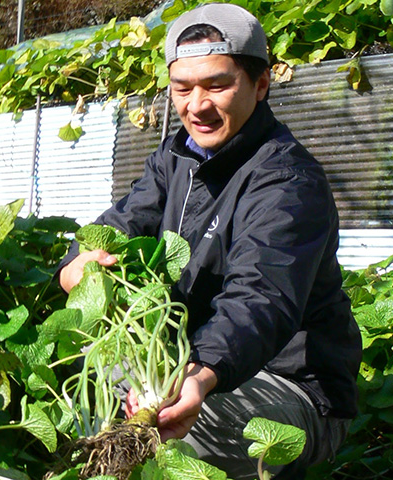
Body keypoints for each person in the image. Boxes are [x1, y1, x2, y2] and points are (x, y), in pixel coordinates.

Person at [59, 3, 362, 479]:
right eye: (182, 88)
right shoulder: (176, 155)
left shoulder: (287, 180)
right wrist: (76, 262)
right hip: (194, 356)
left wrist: (199, 376)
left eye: (217, 85)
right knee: (91, 393)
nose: (196, 105)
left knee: (174, 444)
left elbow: (261, 299)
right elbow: (124, 218)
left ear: (260, 86)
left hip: (290, 382)